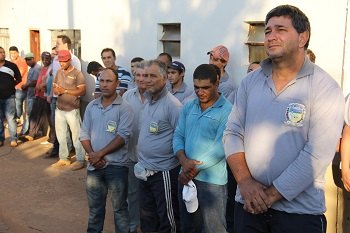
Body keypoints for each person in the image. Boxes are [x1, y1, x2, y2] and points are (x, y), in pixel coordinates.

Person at [223, 5, 345, 233]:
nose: (270, 36)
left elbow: (317, 153)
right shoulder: (250, 82)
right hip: (248, 206)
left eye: (280, 29)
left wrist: (269, 196)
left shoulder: (324, 87)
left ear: (303, 37)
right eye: (267, 31)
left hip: (298, 215)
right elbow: (232, 133)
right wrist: (246, 183)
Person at [173, 64, 232, 233]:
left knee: (213, 229)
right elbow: (178, 135)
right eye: (197, 88)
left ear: (217, 83)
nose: (200, 92)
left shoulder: (227, 110)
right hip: (185, 177)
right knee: (188, 227)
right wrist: (183, 161)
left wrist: (192, 168)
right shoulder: (189, 107)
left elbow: (222, 147)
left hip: (212, 183)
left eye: (205, 87)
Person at [80, 68, 134, 233]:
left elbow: (122, 137)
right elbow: (84, 134)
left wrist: (99, 154)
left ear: (117, 84)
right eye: (102, 81)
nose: (104, 84)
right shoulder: (91, 106)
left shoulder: (125, 108)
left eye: (109, 81)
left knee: (119, 209)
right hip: (94, 167)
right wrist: (92, 155)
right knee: (95, 210)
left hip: (116, 166)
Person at [136, 59, 182, 233]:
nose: (147, 80)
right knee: (147, 218)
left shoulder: (173, 106)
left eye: (152, 76)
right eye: (145, 76)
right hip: (144, 171)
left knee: (167, 221)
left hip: (164, 174)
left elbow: (181, 138)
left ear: (164, 78)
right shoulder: (148, 101)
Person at [122, 61, 147, 233]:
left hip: (153, 159)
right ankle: (133, 226)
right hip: (132, 154)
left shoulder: (158, 96)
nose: (140, 79)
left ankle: (148, 226)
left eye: (144, 75)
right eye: (137, 75)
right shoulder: (127, 97)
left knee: (150, 197)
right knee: (132, 193)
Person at [51, 50, 86, 171]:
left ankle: (81, 159)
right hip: (59, 108)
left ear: (70, 60)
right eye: (60, 61)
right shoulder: (59, 72)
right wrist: (56, 90)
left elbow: (82, 91)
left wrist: (65, 91)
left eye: (64, 61)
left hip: (72, 109)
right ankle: (64, 158)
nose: (62, 63)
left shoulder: (77, 74)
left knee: (77, 135)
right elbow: (54, 87)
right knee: (61, 135)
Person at [23, 52, 52, 141]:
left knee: (47, 117)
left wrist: (41, 86)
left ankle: (52, 137)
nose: (44, 61)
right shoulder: (43, 68)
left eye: (46, 59)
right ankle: (32, 134)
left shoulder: (51, 69)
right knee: (34, 115)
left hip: (45, 95)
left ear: (50, 59)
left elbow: (48, 81)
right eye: (43, 59)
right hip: (38, 94)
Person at [0, 46, 22, 147]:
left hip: (9, 96)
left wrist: (10, 85)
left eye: (3, 52)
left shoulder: (12, 66)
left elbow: (19, 78)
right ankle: (1, 139)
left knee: (11, 118)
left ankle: (13, 139)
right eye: (0, 52)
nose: (3, 54)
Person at [20, 52, 41, 136]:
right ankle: (26, 131)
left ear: (33, 59)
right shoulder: (31, 68)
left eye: (29, 60)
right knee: (29, 114)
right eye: (26, 60)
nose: (27, 62)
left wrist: (26, 85)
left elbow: (35, 82)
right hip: (29, 94)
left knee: (31, 114)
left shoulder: (37, 68)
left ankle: (27, 132)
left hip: (34, 95)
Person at [9, 46, 28, 124]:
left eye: (14, 53)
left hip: (20, 86)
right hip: (13, 86)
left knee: (18, 103)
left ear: (17, 53)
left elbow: (19, 74)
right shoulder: (11, 62)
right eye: (11, 53)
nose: (12, 55)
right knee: (14, 104)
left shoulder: (22, 61)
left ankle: (17, 118)